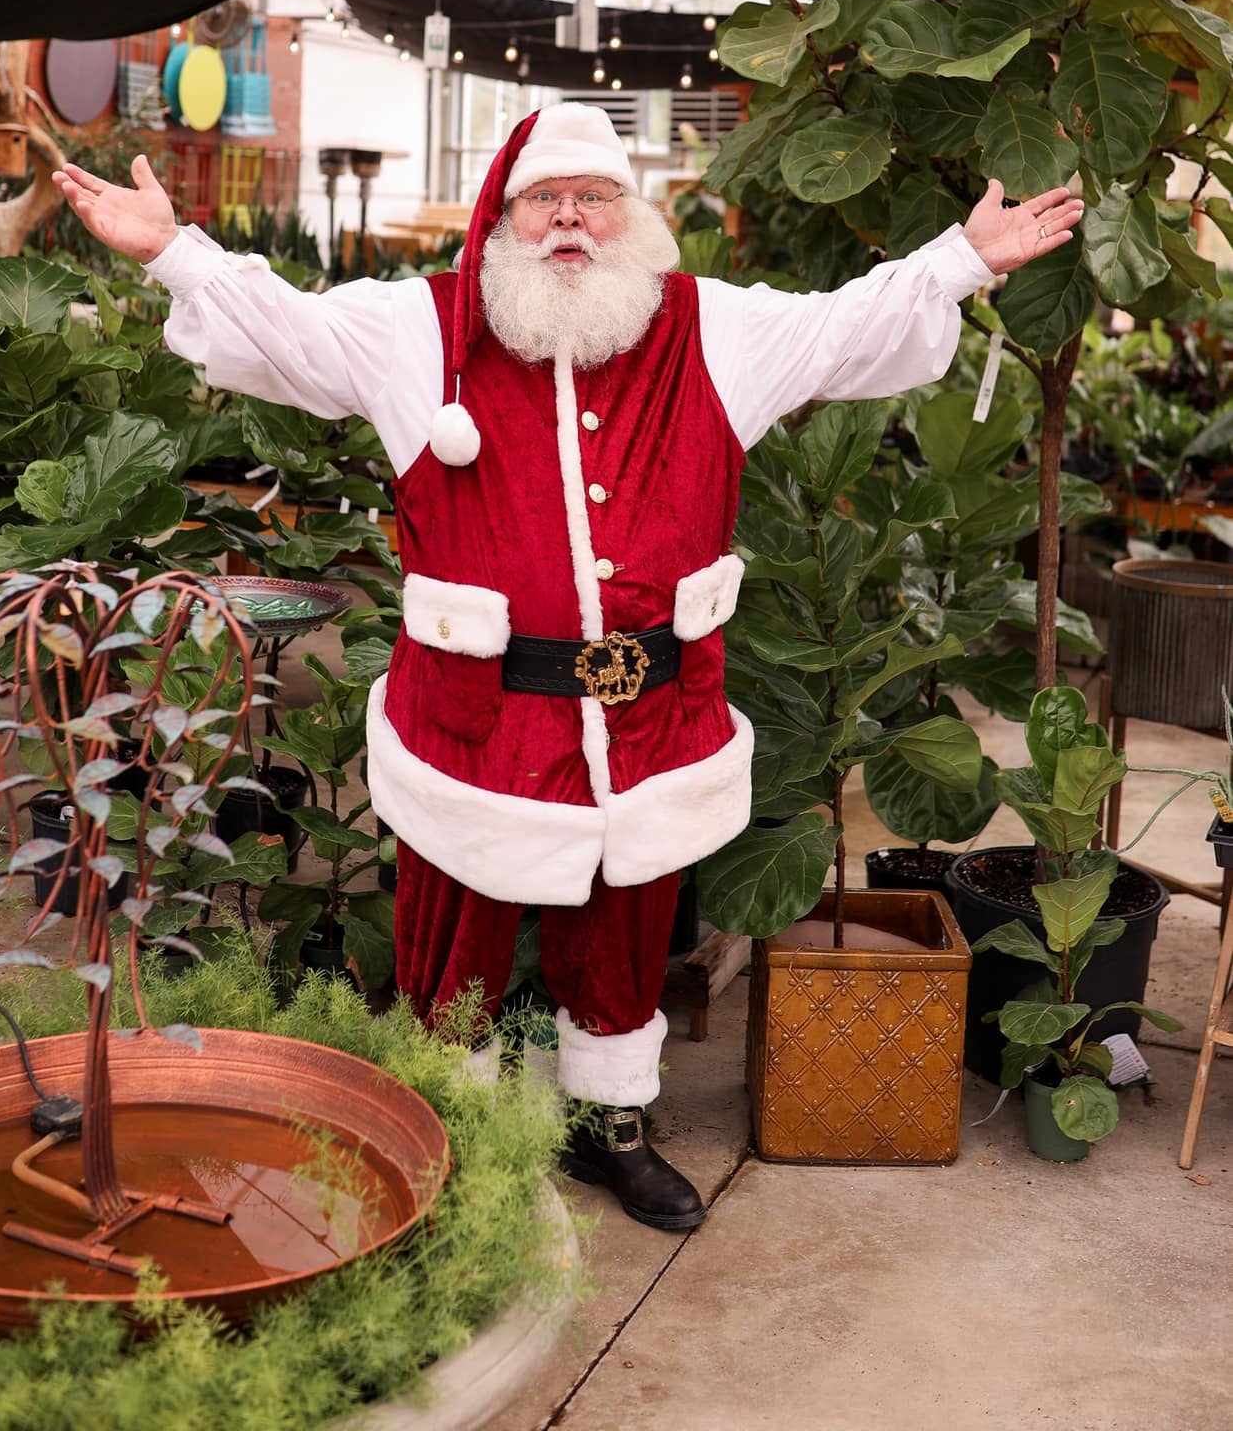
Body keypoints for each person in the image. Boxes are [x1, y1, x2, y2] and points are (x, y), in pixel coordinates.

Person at [55, 103, 1081, 1232]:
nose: (569, 220)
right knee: (453, 938)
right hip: (477, 718)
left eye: (593, 197)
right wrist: (173, 249)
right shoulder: (423, 329)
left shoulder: (710, 328)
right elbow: (288, 329)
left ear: (630, 213)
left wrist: (959, 260)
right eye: (544, 198)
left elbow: (843, 326)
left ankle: (610, 1122)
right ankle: (450, 1126)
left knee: (628, 930)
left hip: (648, 716)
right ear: (504, 217)